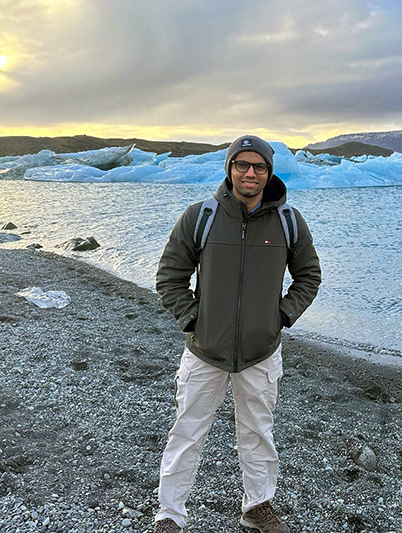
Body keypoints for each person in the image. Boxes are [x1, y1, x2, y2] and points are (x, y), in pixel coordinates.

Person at [152, 135, 321, 533]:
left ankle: (257, 507)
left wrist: (280, 316)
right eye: (242, 165)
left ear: (269, 172)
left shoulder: (288, 222)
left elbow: (309, 276)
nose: (250, 173)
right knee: (187, 432)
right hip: (204, 350)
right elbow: (170, 277)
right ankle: (169, 514)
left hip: (261, 351)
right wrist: (194, 320)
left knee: (258, 434)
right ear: (229, 169)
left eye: (258, 166)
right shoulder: (201, 217)